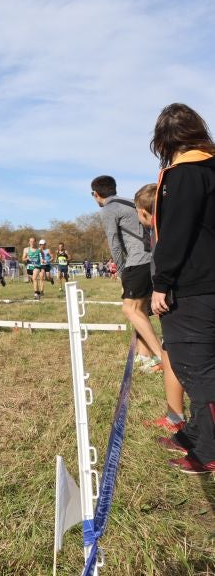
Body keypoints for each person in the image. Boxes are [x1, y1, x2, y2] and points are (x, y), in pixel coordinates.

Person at [148, 103, 215, 474]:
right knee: (202, 366)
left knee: (197, 370)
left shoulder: (185, 174)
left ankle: (208, 449)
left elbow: (175, 234)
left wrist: (162, 283)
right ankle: (194, 432)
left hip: (194, 286)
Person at [91, 175, 163, 374]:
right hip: (153, 258)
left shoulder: (108, 209)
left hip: (138, 262)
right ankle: (143, 356)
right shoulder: (131, 203)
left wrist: (122, 272)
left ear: (95, 194)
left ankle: (162, 357)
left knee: (130, 310)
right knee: (141, 311)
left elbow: (114, 244)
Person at [134, 183, 186, 435]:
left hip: (179, 301)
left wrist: (161, 290)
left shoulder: (164, 230)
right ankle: (174, 416)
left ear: (143, 213)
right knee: (168, 354)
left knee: (182, 358)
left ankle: (189, 422)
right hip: (176, 301)